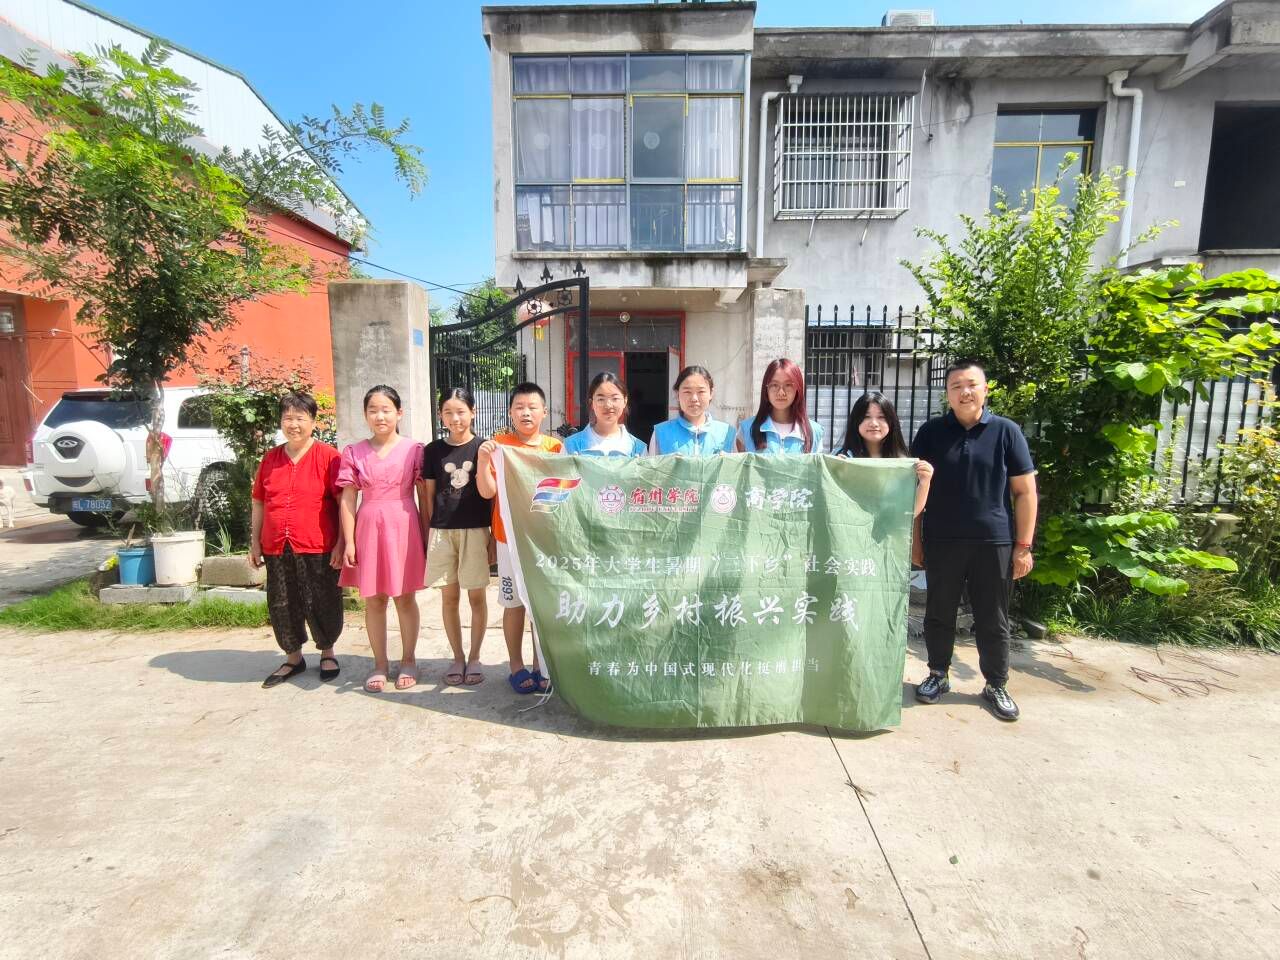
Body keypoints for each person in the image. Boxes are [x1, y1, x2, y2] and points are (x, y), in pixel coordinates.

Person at [910, 361, 1038, 722]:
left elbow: (1025, 492)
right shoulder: (931, 433)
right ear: (947, 394)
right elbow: (914, 492)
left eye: (971, 385)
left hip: (993, 541)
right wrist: (916, 542)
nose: (964, 392)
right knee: (939, 612)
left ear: (985, 389)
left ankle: (996, 683)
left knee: (992, 616)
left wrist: (1023, 546)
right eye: (956, 386)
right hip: (942, 540)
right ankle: (937, 674)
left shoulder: (1006, 432)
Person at [251, 392, 345, 689]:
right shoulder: (270, 459)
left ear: (313, 422)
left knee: (322, 598)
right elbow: (259, 502)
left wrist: (342, 542)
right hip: (276, 544)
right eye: (287, 418)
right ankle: (293, 657)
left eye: (300, 418)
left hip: (318, 544)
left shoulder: (329, 457)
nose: (293, 424)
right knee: (282, 602)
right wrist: (254, 541)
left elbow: (343, 503)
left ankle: (327, 652)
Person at [337, 385, 427, 693]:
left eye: (386, 410)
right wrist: (349, 541)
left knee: (405, 597)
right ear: (365, 415)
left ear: (399, 413)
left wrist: (427, 534)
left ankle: (409, 660)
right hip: (368, 528)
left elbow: (424, 496)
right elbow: (348, 498)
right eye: (373, 410)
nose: (380, 416)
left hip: (404, 526)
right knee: (374, 599)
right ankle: (379, 664)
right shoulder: (354, 452)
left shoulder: (414, 450)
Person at [476, 383, 564, 694]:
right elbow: (486, 491)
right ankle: (516, 665)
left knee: (541, 605)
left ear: (544, 412)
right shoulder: (498, 446)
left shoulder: (555, 448)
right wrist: (483, 461)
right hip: (508, 539)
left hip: (542, 541)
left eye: (532, 407)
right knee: (513, 604)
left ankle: (542, 664)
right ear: (511, 412)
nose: (526, 412)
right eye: (519, 407)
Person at [420, 387, 493, 687]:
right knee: (449, 598)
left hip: (476, 530)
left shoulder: (484, 448)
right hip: (442, 532)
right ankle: (457, 657)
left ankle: (475, 656)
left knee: (476, 597)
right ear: (440, 415)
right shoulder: (432, 451)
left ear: (473, 412)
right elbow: (428, 496)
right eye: (448, 412)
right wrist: (428, 533)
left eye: (461, 411)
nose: (455, 418)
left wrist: (493, 539)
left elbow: (492, 496)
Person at [836, 391, 933, 517]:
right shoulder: (842, 459)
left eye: (881, 417)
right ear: (855, 421)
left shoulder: (902, 463)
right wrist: (835, 474)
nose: (874, 423)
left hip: (888, 529)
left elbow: (910, 512)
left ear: (891, 422)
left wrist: (925, 482)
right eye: (866, 416)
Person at [736, 357, 824, 454]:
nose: (781, 393)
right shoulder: (747, 429)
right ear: (766, 389)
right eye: (774, 385)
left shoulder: (814, 432)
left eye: (788, 385)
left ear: (797, 389)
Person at [648, 365, 736, 456]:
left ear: (711, 393)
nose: (694, 398)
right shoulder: (661, 433)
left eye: (701, 392)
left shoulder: (727, 433)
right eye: (687, 392)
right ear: (677, 394)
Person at [562, 372, 647, 457]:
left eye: (615, 398)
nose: (608, 405)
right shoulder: (571, 446)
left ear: (625, 401)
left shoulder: (637, 449)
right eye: (601, 399)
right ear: (592, 403)